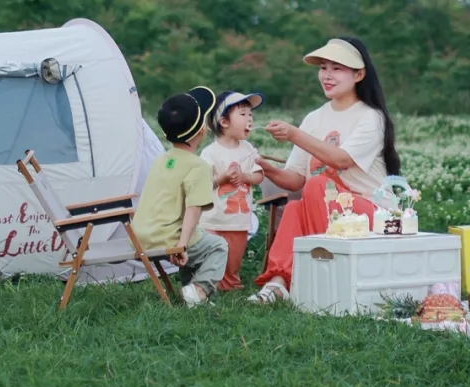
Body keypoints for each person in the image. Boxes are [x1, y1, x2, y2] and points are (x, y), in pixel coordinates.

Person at [248, 36, 399, 304]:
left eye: (336, 68)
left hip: (372, 215)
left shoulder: (371, 117)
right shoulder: (314, 118)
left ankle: (326, 277)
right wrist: (263, 166)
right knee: (295, 205)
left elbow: (341, 160)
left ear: (359, 74)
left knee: (318, 185)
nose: (327, 76)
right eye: (323, 68)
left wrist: (294, 134)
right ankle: (279, 282)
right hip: (330, 209)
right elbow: (294, 180)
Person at [132, 85, 228, 305]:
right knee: (217, 246)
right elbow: (193, 210)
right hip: (167, 238)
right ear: (202, 131)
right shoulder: (198, 166)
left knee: (199, 238)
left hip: (142, 235)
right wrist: (182, 245)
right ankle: (199, 290)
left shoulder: (161, 160)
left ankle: (190, 292)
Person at [199, 89, 265, 291]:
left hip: (238, 218)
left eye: (250, 114)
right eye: (243, 114)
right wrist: (224, 178)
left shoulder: (248, 149)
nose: (249, 119)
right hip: (213, 218)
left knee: (234, 256)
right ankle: (209, 283)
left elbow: (259, 174)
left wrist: (245, 177)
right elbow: (205, 183)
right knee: (213, 255)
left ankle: (231, 282)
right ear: (224, 122)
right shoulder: (210, 152)